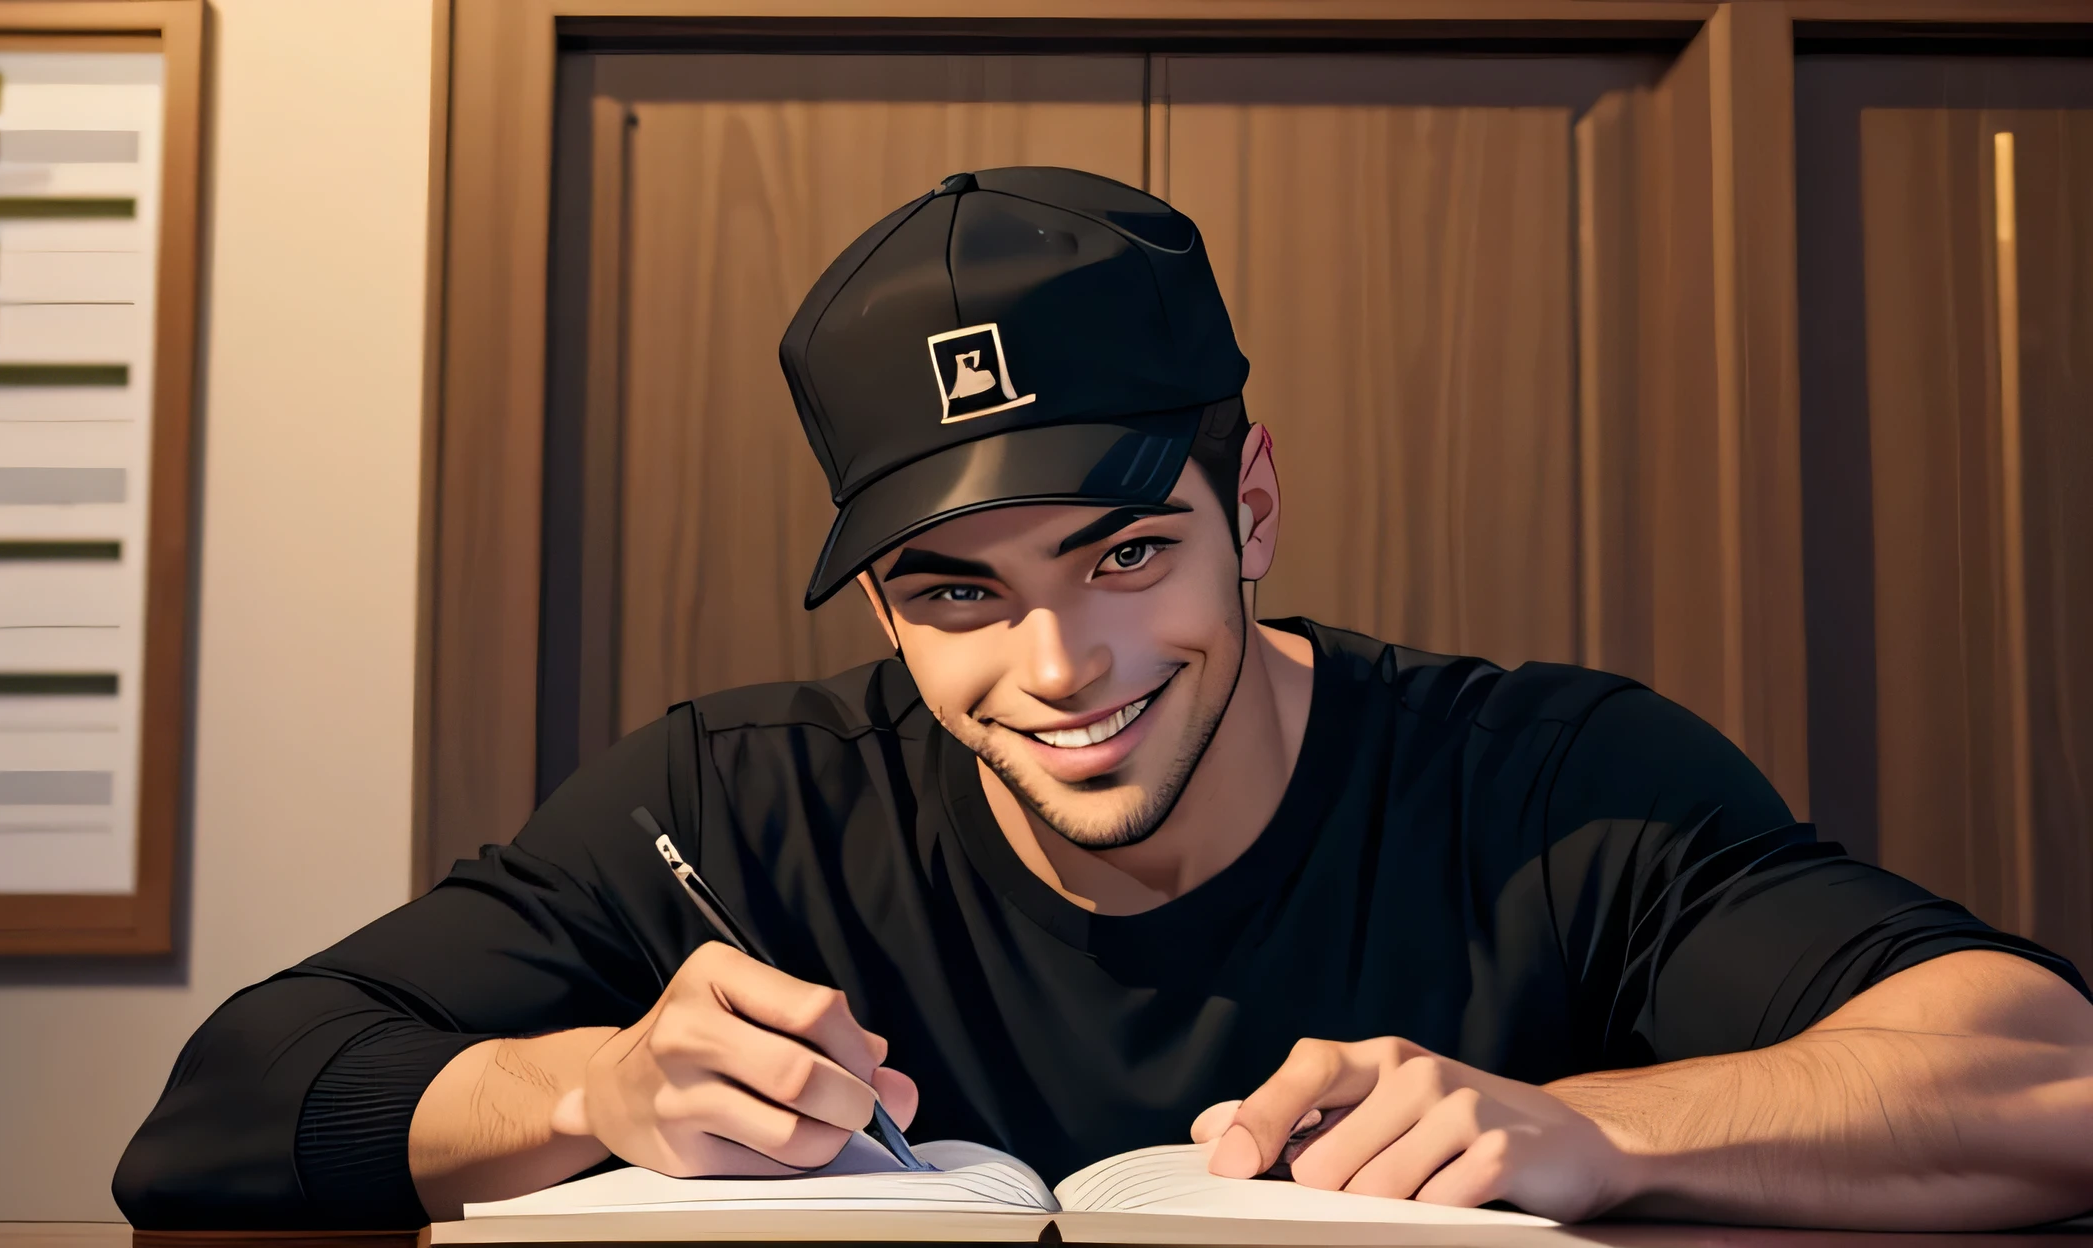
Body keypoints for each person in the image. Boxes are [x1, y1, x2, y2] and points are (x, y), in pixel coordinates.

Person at [114, 167, 2093, 1232]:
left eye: (1124, 556)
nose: (1056, 673)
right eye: (954, 593)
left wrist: (1591, 1132)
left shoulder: (1546, 781)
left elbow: (2038, 1079)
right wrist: (585, 1088)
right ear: (883, 606)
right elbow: (218, 1111)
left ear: (1247, 507)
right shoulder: (731, 800)